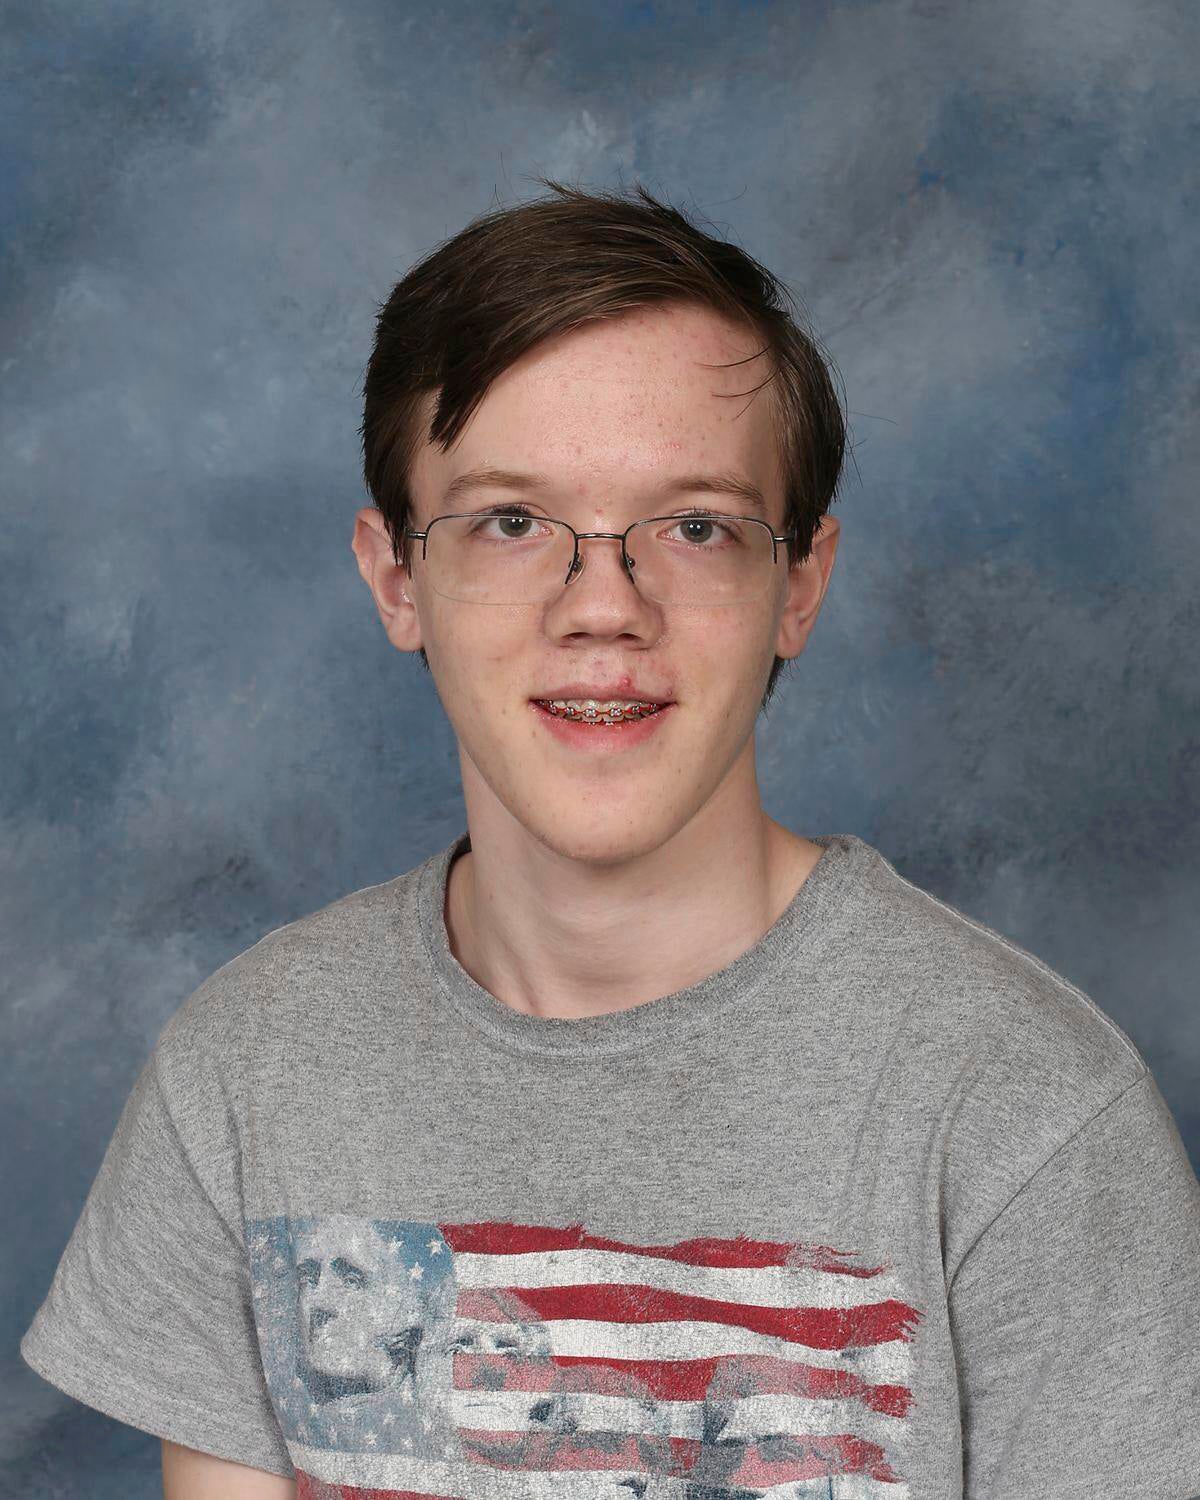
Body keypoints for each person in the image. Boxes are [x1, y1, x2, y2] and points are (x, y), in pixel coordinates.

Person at [21, 179, 1200, 1500]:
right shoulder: (247, 1081)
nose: (603, 605)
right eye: (512, 522)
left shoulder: (1026, 1124)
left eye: (692, 527)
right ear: (397, 577)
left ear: (798, 585)